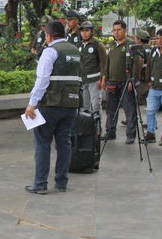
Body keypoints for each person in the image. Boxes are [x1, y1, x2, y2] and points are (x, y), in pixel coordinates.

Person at [24, 21, 81, 194]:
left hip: (50, 104)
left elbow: (42, 80)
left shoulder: (50, 51)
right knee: (64, 143)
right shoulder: (75, 50)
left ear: (48, 35)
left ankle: (40, 184)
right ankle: (61, 182)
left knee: (42, 143)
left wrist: (31, 105)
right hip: (71, 105)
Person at [101, 20, 140, 144]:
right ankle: (110, 132)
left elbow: (137, 64)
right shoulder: (111, 45)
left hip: (125, 81)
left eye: (119, 30)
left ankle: (131, 134)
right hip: (112, 81)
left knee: (129, 108)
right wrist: (104, 77)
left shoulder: (131, 45)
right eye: (114, 30)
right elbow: (107, 62)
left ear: (125, 30)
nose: (116, 32)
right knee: (111, 109)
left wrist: (132, 80)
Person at [142, 28, 162, 145]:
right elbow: (149, 66)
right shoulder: (154, 51)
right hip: (154, 88)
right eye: (157, 38)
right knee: (150, 111)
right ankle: (150, 133)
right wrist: (148, 81)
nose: (159, 41)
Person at [79, 21, 106, 117]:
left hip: (95, 80)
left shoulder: (98, 45)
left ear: (92, 31)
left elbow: (104, 62)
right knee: (85, 107)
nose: (84, 33)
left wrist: (102, 78)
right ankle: (87, 128)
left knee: (96, 106)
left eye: (86, 30)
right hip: (83, 80)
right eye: (82, 31)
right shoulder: (80, 45)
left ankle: (98, 127)